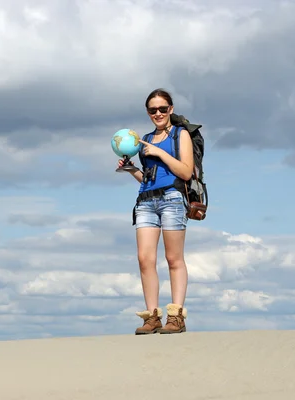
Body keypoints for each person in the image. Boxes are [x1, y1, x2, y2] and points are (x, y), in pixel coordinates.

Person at [118, 88, 194, 334]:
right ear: (148, 113)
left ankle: (176, 316)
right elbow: (147, 179)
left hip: (173, 197)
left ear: (170, 109)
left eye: (163, 109)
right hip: (146, 201)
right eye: (153, 110)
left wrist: (160, 152)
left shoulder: (180, 135)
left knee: (173, 258)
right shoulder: (145, 140)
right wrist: (131, 170)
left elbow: (185, 172)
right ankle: (152, 317)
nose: (158, 113)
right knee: (145, 259)